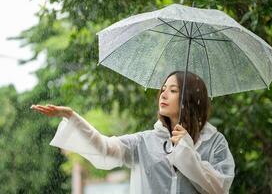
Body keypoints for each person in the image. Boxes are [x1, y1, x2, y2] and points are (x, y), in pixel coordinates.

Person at [31, 71, 235, 194]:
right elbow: (104, 147)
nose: (163, 94)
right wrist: (73, 117)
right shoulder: (143, 142)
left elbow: (218, 189)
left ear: (189, 99)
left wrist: (186, 150)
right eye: (163, 89)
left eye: (173, 90)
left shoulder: (214, 142)